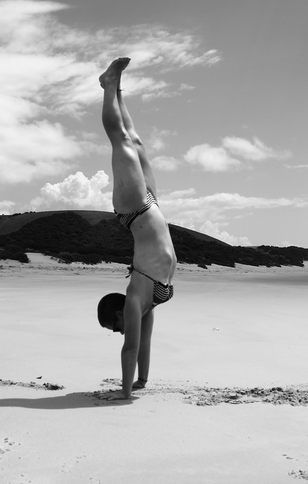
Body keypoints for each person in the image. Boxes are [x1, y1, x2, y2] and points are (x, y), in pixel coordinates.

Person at [95, 57, 177, 401]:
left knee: (121, 140)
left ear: (118, 314)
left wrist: (123, 394)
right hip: (152, 206)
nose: (119, 332)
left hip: (133, 209)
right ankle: (117, 88)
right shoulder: (145, 307)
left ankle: (109, 85)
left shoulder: (133, 300)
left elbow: (129, 349)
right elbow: (143, 345)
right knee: (137, 144)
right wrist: (141, 382)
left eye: (114, 326)